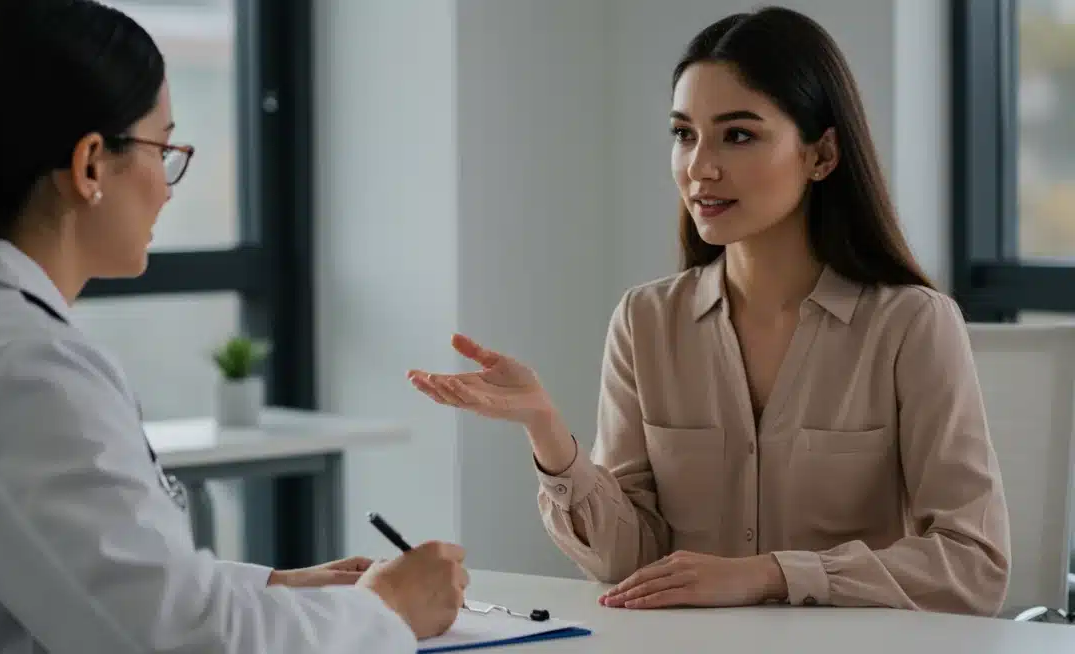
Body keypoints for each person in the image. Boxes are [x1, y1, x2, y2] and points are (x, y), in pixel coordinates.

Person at [0, 1, 467, 651]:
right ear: (91, 164)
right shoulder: (20, 368)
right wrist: (386, 611)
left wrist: (277, 587)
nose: (167, 187)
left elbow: (113, 584)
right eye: (165, 148)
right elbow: (176, 642)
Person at [408, 6, 1010, 617]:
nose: (699, 167)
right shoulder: (645, 322)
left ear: (822, 154)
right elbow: (631, 561)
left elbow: (973, 566)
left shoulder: (911, 325)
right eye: (683, 133)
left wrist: (771, 574)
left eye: (738, 134)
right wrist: (546, 430)